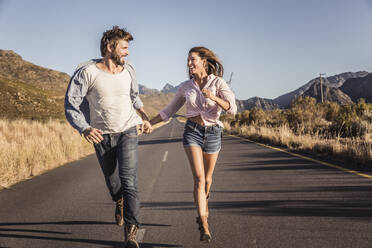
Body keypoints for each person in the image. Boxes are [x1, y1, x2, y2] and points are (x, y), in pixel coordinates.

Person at [64, 26, 152, 248]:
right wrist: (84, 128)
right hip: (102, 136)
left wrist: (143, 114)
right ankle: (118, 200)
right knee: (114, 183)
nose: (128, 52)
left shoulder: (129, 70)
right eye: (124, 47)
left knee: (129, 181)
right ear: (110, 47)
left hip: (128, 131)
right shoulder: (87, 73)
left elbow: (133, 95)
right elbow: (71, 104)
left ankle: (131, 232)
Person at [150, 46, 237, 242]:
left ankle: (203, 202)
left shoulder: (218, 82)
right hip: (192, 132)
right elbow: (169, 111)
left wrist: (213, 97)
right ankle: (204, 224)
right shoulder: (185, 87)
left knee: (207, 180)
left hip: (214, 133)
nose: (189, 64)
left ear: (204, 61)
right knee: (198, 179)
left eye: (192, 60)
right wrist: (150, 123)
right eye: (188, 61)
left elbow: (233, 109)